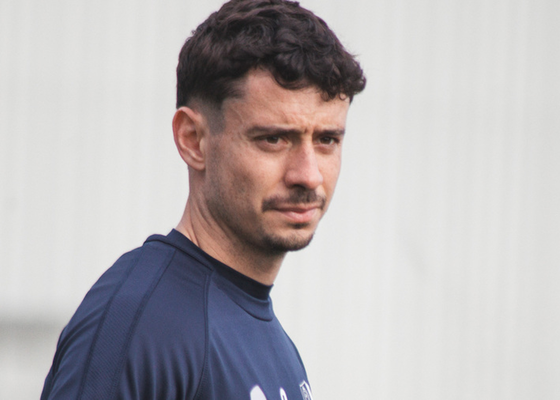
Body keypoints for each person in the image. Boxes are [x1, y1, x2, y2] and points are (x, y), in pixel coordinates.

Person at [40, 0, 365, 398]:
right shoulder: (143, 326)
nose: (308, 175)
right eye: (273, 139)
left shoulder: (277, 347)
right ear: (193, 140)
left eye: (327, 140)